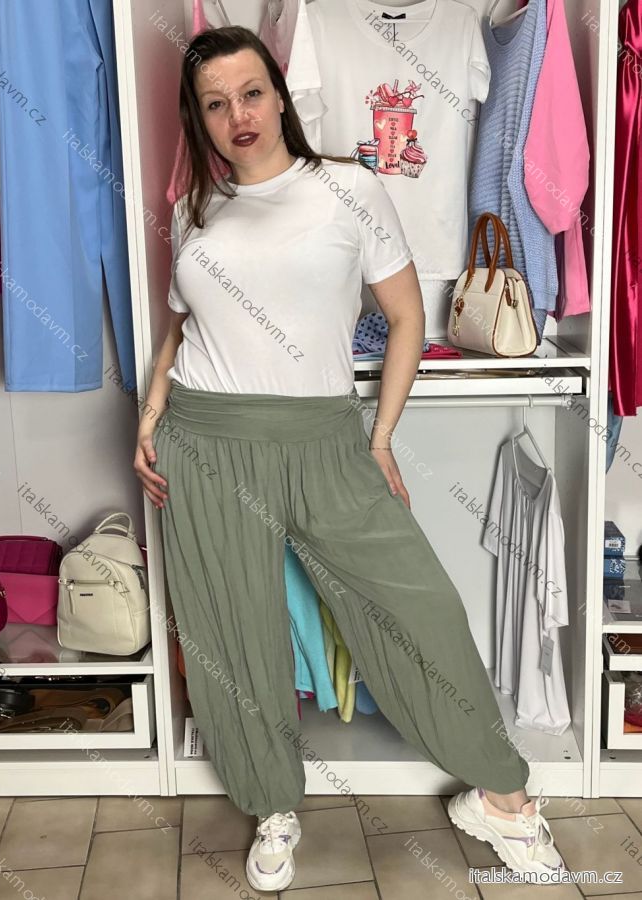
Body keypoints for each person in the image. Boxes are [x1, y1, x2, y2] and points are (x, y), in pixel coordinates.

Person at [134, 25, 564, 893]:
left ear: (280, 95)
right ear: (199, 118)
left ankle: (503, 796)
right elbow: (181, 327)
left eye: (251, 92)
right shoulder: (193, 211)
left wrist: (379, 437)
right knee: (232, 632)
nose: (237, 115)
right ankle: (273, 805)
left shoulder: (349, 189)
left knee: (418, 609)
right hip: (206, 441)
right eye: (215, 103)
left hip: (325, 437)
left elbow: (406, 318)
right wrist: (148, 416)